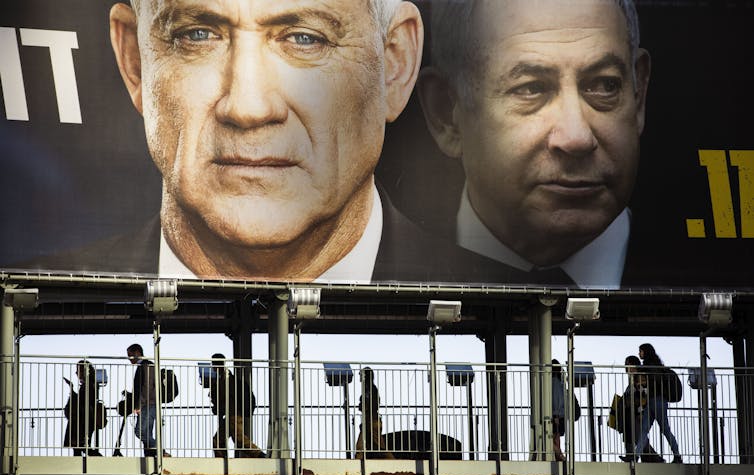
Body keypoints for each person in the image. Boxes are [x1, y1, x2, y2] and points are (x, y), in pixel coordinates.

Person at [31, 0, 525, 286]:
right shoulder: (34, 303)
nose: (248, 107)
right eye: (198, 35)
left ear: (394, 65)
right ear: (135, 59)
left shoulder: (517, 308)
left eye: (305, 39)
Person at [417, 0, 651, 288]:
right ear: (446, 115)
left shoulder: (714, 271)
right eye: (531, 89)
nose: (576, 137)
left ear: (638, 95)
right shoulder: (383, 267)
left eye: (604, 86)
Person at [208, 353, 264, 459]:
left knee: (239, 439)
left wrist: (215, 396)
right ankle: (221, 460)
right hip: (231, 414)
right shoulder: (224, 377)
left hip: (234, 414)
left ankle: (260, 455)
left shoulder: (227, 378)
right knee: (218, 439)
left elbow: (226, 397)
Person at [633, 343, 682, 463]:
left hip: (658, 400)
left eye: (641, 351)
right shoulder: (654, 365)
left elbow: (654, 381)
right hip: (653, 401)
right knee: (645, 429)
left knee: (663, 429)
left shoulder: (651, 366)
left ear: (646, 352)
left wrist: (641, 375)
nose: (639, 354)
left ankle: (677, 455)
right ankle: (635, 456)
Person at [126, 343, 169, 457]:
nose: (129, 358)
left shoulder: (146, 365)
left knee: (140, 432)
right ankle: (150, 455)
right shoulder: (145, 365)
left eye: (130, 355)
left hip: (148, 404)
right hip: (149, 403)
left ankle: (160, 450)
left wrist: (139, 405)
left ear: (137, 353)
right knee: (146, 432)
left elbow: (147, 387)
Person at [619, 355, 662, 462]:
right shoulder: (633, 379)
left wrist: (641, 411)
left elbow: (643, 394)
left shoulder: (640, 377)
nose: (628, 368)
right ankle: (634, 455)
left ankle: (653, 456)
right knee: (631, 434)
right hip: (631, 412)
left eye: (629, 364)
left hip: (637, 411)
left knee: (638, 435)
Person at [62, 360, 103, 456]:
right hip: (84, 419)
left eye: (78, 370)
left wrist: (72, 390)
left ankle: (101, 461)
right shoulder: (90, 384)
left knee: (80, 446)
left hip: (83, 420)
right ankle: (97, 461)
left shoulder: (89, 384)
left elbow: (84, 401)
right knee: (81, 446)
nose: (76, 373)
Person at [355, 367, 394, 459]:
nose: (359, 377)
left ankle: (394, 462)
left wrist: (365, 406)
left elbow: (374, 404)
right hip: (369, 421)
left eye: (361, 375)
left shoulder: (371, 389)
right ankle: (356, 463)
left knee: (380, 447)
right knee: (360, 446)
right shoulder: (368, 389)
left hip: (372, 421)